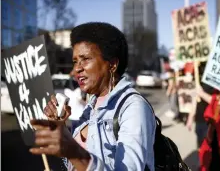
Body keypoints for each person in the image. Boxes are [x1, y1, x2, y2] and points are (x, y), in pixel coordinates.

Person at [29, 22, 156, 171]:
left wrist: (74, 152)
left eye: (86, 59)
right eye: (75, 61)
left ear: (112, 64)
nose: (77, 68)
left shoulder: (133, 108)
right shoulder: (90, 107)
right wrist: (62, 130)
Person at [186, 62, 215, 150]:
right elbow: (195, 101)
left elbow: (216, 102)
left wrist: (201, 93)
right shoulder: (199, 82)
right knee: (201, 148)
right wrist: (190, 118)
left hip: (210, 121)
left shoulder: (215, 83)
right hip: (199, 120)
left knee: (210, 148)